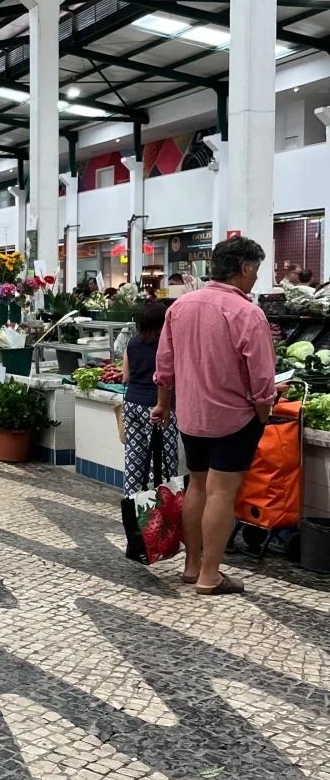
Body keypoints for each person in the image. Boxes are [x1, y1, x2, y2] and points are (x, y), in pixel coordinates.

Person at [152, 236, 276, 596]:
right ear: (244, 268)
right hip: (233, 418)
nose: (255, 278)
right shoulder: (247, 313)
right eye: (256, 270)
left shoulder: (181, 306)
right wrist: (264, 411)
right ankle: (210, 575)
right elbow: (262, 376)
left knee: (198, 485)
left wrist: (163, 403)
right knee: (222, 492)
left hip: (191, 415)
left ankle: (191, 567)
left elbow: (164, 365)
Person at [122, 301, 178, 497]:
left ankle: (132, 503)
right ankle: (164, 506)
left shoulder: (133, 343)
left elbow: (125, 377)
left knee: (133, 457)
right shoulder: (168, 346)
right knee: (163, 461)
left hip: (131, 404)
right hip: (158, 407)